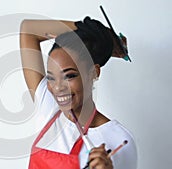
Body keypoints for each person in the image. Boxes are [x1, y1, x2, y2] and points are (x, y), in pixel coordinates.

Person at [20, 17, 137, 169]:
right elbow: (28, 30)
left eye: (69, 76)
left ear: (94, 73)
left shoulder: (118, 139)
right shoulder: (48, 106)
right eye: (51, 77)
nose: (58, 88)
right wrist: (99, 34)